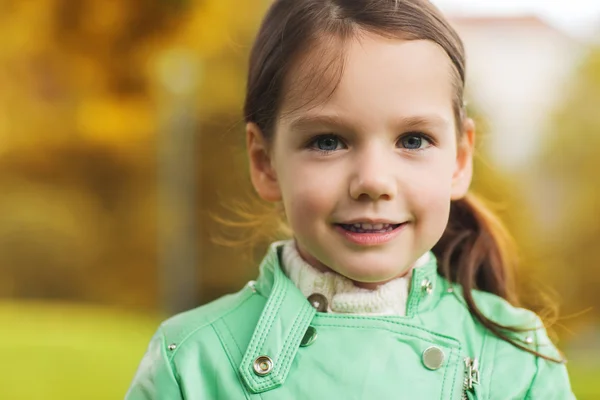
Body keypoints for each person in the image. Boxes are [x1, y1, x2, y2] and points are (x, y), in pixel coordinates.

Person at [126, 0, 575, 398]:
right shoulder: (192, 364)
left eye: (414, 140)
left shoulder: (518, 361)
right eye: (328, 142)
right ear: (265, 164)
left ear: (459, 160)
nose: (373, 181)